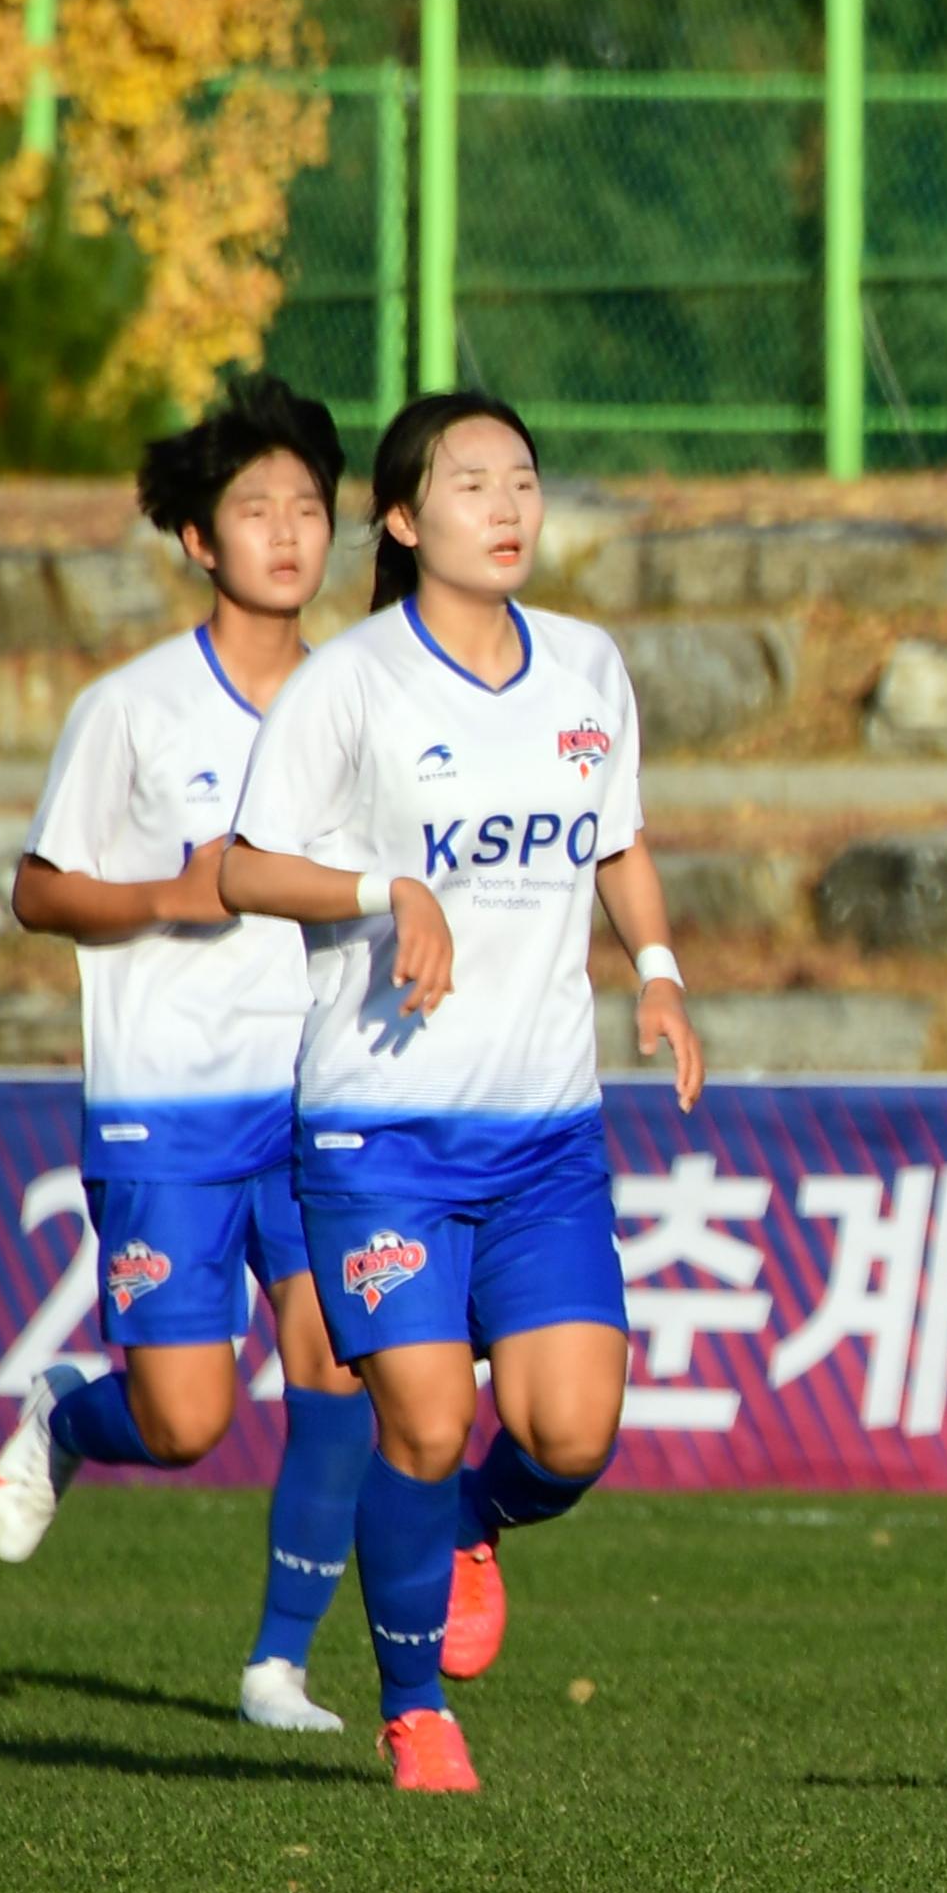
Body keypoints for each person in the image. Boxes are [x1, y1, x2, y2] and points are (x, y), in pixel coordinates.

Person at [218, 390, 703, 1795]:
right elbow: (245, 868)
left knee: (573, 1434)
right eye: (471, 484)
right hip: (380, 1135)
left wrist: (658, 971)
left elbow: (618, 845)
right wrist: (386, 889)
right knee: (422, 1420)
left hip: (546, 1135)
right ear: (406, 519)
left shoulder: (589, 669)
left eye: (525, 482)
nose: (506, 508)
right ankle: (416, 1706)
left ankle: (476, 1523)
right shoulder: (353, 683)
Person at [0, 376, 383, 1734]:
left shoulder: (364, 706)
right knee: (189, 1417)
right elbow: (37, 891)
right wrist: (167, 892)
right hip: (166, 1106)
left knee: (339, 1363)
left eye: (310, 510)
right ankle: (66, 1418)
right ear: (199, 540)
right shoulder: (132, 711)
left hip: (317, 1096)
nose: (288, 533)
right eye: (255, 509)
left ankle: (278, 1664)